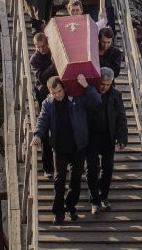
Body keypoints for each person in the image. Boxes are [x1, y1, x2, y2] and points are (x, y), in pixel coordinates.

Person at [31, 74, 101, 224]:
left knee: (75, 181)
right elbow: (42, 120)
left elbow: (96, 101)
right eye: (53, 93)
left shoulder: (76, 98)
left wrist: (86, 86)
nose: (57, 95)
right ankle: (58, 211)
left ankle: (71, 206)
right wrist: (37, 135)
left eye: (59, 92)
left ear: (64, 88)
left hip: (78, 146)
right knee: (59, 179)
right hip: (60, 147)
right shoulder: (47, 104)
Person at [86, 67, 128, 215]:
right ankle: (95, 201)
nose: (103, 87)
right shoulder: (90, 92)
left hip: (107, 136)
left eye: (107, 84)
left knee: (108, 168)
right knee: (91, 168)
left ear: (111, 83)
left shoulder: (116, 95)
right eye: (102, 83)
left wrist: (122, 138)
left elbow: (121, 117)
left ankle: (104, 196)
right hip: (91, 136)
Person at [30, 32, 57, 177]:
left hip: (59, 92)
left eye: (43, 46)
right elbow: (42, 77)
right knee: (45, 130)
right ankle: (48, 167)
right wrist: (54, 64)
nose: (41, 49)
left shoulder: (52, 50)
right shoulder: (35, 59)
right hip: (44, 95)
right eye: (37, 47)